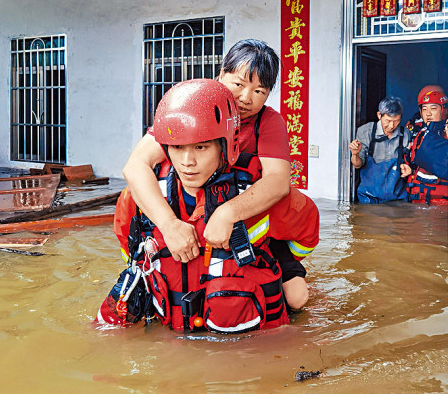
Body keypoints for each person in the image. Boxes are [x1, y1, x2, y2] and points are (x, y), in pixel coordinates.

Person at [97, 79, 318, 333]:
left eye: (201, 147)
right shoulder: (139, 198)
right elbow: (132, 251)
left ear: (226, 146)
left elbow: (306, 231)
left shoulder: (261, 195)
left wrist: (281, 265)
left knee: (297, 296)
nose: (187, 161)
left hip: (243, 345)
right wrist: (168, 226)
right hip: (173, 334)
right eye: (177, 147)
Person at [122, 39, 318, 307]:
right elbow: (135, 166)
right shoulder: (193, 103)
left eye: (259, 91)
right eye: (238, 84)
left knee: (297, 299)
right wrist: (169, 225)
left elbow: (278, 181)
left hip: (250, 221)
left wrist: (227, 214)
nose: (246, 98)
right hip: (187, 211)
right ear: (221, 75)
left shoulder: (268, 122)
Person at [349, 96, 411, 203]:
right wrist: (355, 154)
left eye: (396, 121)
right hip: (369, 197)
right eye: (388, 120)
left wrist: (406, 167)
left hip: (397, 197)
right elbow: (358, 165)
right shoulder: (365, 131)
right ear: (379, 115)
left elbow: (407, 161)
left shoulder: (405, 134)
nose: (392, 126)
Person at [400, 88, 448, 205]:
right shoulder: (419, 135)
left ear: (444, 110)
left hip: (442, 204)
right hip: (417, 201)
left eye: (433, 108)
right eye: (424, 109)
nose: (428, 113)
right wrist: (409, 169)